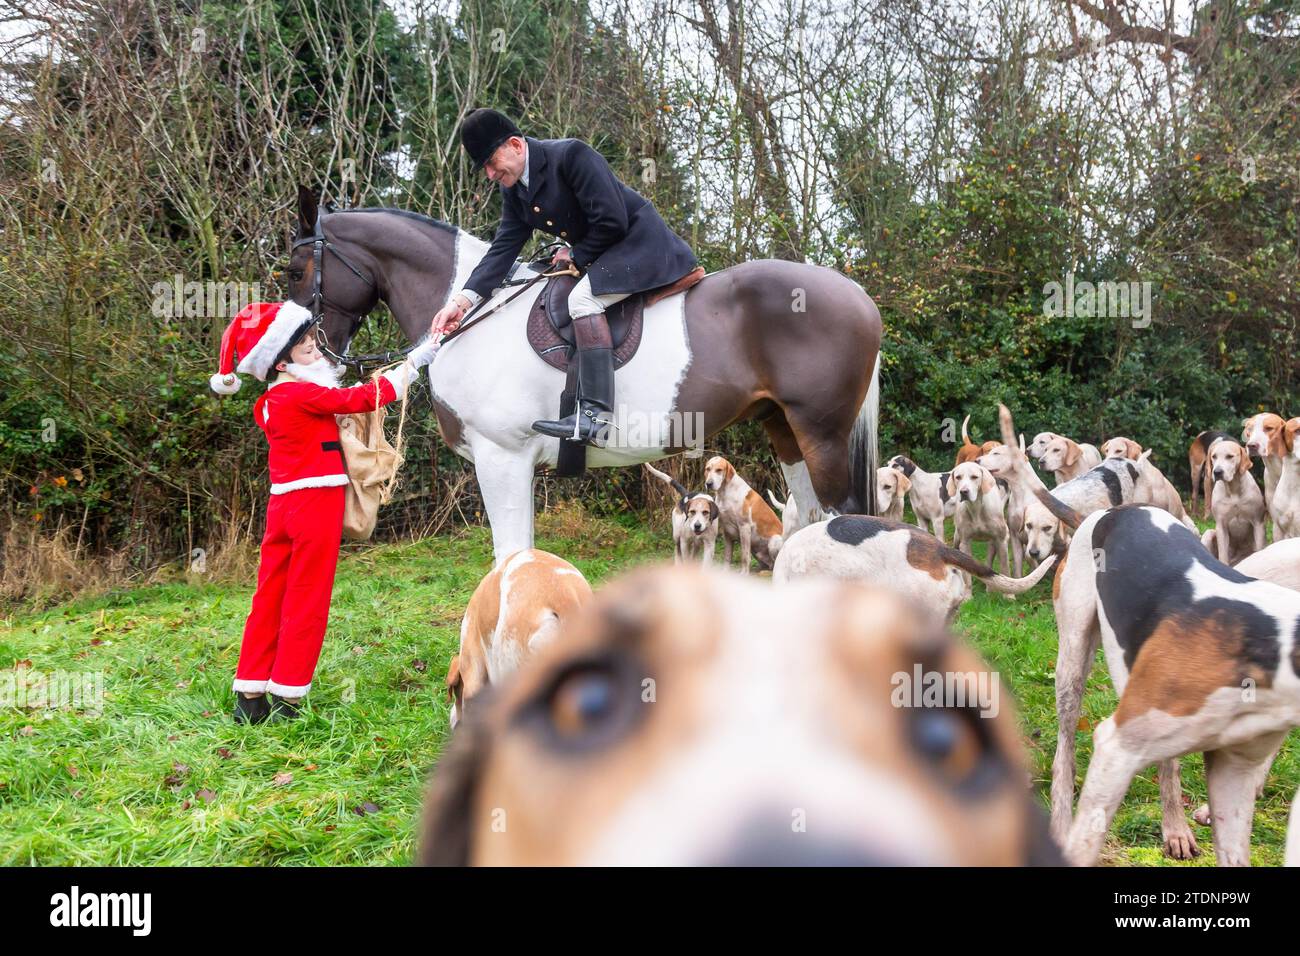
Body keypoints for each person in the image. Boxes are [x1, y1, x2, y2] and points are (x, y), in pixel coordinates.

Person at [209, 300, 438, 723]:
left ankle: (250, 694)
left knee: (270, 595)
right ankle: (287, 698)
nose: (316, 352)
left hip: (283, 503)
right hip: (317, 501)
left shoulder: (271, 401)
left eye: (314, 342)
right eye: (305, 348)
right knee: (307, 597)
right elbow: (363, 399)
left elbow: (332, 400)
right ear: (280, 363)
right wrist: (416, 362)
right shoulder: (301, 393)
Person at [430, 108, 698, 446]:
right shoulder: (514, 190)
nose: (488, 174)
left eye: (490, 162)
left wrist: (575, 254)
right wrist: (462, 301)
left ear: (515, 144)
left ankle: (595, 415)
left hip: (641, 244)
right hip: (606, 251)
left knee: (581, 299)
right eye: (483, 167)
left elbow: (613, 220)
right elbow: (503, 248)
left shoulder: (571, 155)